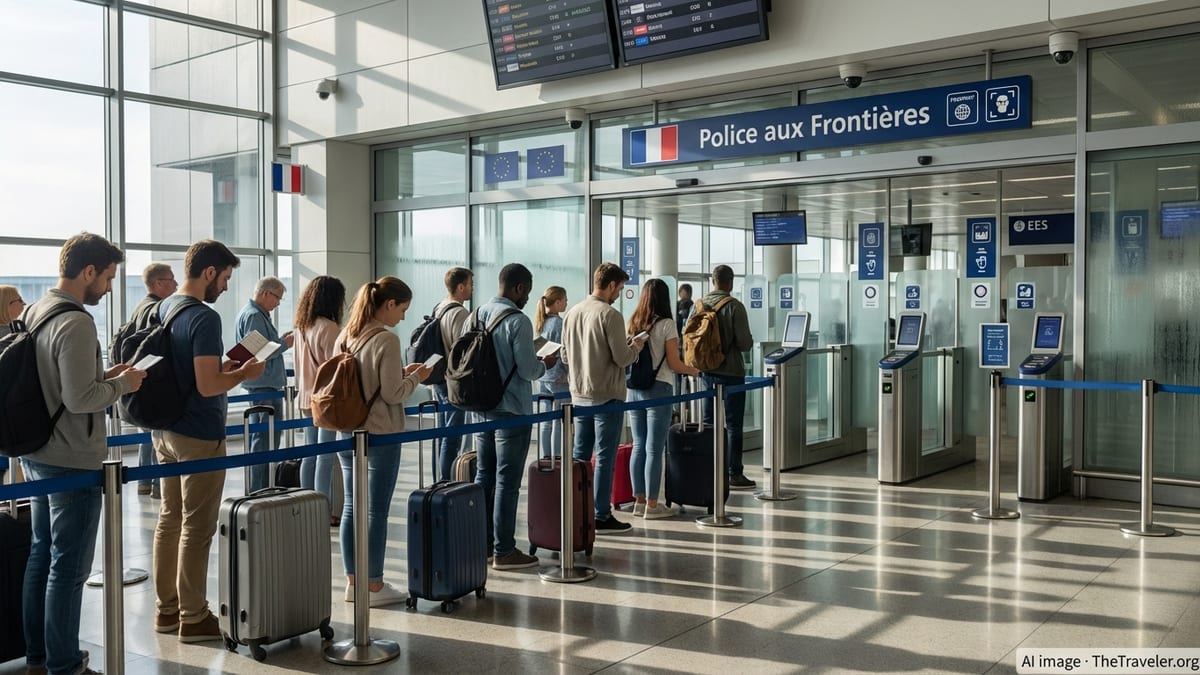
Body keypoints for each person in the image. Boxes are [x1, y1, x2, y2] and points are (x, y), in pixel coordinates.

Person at [19, 233, 145, 675]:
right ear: (88, 271)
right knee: (69, 570)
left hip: (37, 451)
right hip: (71, 456)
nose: (109, 287)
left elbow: (58, 381)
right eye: (108, 277)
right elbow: (78, 398)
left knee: (41, 556)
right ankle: (65, 664)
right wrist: (123, 386)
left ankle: (38, 657)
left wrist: (106, 374)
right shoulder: (77, 322)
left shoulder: (37, 310)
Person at [152, 239, 265, 643]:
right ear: (210, 272)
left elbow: (193, 369)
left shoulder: (164, 307)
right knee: (197, 528)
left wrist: (225, 366)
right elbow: (207, 385)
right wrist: (243, 374)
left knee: (169, 519)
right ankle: (193, 615)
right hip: (198, 432)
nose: (226, 288)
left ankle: (166, 610)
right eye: (226, 278)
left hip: (164, 430)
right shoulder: (203, 317)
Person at [336, 277, 429, 606]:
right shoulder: (386, 341)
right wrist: (416, 376)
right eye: (402, 309)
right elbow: (392, 393)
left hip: (347, 432)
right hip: (380, 433)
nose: (402, 317)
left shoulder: (346, 335)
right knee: (375, 511)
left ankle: (353, 581)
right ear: (389, 304)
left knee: (351, 506)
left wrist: (401, 373)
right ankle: (373, 584)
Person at [470, 263, 553, 569]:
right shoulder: (517, 320)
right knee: (507, 480)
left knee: (484, 476)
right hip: (511, 409)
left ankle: (485, 545)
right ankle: (505, 550)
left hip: (481, 409)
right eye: (527, 292)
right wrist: (546, 362)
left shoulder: (477, 314)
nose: (527, 298)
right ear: (518, 288)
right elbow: (529, 370)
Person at [564, 262, 646, 534]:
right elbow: (622, 358)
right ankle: (601, 514)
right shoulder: (609, 315)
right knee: (604, 457)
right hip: (607, 395)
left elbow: (565, 356)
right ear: (611, 285)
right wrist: (635, 347)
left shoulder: (573, 312)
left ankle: (577, 509)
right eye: (619, 288)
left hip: (579, 395)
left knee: (579, 458)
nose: (619, 294)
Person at [626, 278, 700, 518]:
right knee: (655, 449)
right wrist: (694, 370)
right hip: (659, 388)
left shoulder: (634, 321)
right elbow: (674, 363)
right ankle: (653, 505)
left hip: (634, 389)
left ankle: (638, 501)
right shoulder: (667, 324)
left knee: (638, 445)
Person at [119, 263, 178, 498]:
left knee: (149, 435)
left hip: (140, 379)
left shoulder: (139, 307)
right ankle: (156, 485)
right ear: (159, 283)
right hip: (152, 380)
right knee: (156, 434)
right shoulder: (157, 309)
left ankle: (145, 481)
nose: (175, 284)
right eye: (171, 279)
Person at [697, 264, 756, 490]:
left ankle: (710, 468)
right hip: (731, 373)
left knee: (710, 424)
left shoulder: (700, 305)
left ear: (713, 281)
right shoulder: (735, 307)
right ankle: (734, 472)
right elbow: (744, 343)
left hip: (706, 373)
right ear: (730, 282)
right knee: (733, 425)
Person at [293, 275, 346, 524]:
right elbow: (336, 369)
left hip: (303, 397)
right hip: (323, 400)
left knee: (310, 454)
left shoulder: (301, 326)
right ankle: (322, 509)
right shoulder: (329, 328)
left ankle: (306, 505)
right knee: (325, 456)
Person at [234, 277, 294, 493]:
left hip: (264, 384)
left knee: (266, 438)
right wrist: (284, 344)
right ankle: (259, 487)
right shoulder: (253, 316)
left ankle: (263, 485)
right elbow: (256, 351)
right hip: (262, 385)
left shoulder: (256, 315)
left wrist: (279, 342)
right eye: (277, 297)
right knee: (263, 439)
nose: (278, 303)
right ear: (266, 294)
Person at [430, 267, 473, 482]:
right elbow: (463, 352)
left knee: (440, 433)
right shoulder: (459, 313)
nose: (472, 289)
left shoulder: (440, 307)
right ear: (460, 287)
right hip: (452, 381)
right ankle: (446, 481)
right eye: (470, 284)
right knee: (452, 437)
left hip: (437, 379)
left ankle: (438, 479)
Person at [534, 285, 568, 457]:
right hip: (559, 377)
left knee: (545, 420)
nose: (567, 303)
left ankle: (544, 456)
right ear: (557, 302)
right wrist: (568, 373)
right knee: (560, 421)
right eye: (565, 300)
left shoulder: (541, 322)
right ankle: (558, 456)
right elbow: (565, 352)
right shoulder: (559, 324)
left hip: (543, 376)